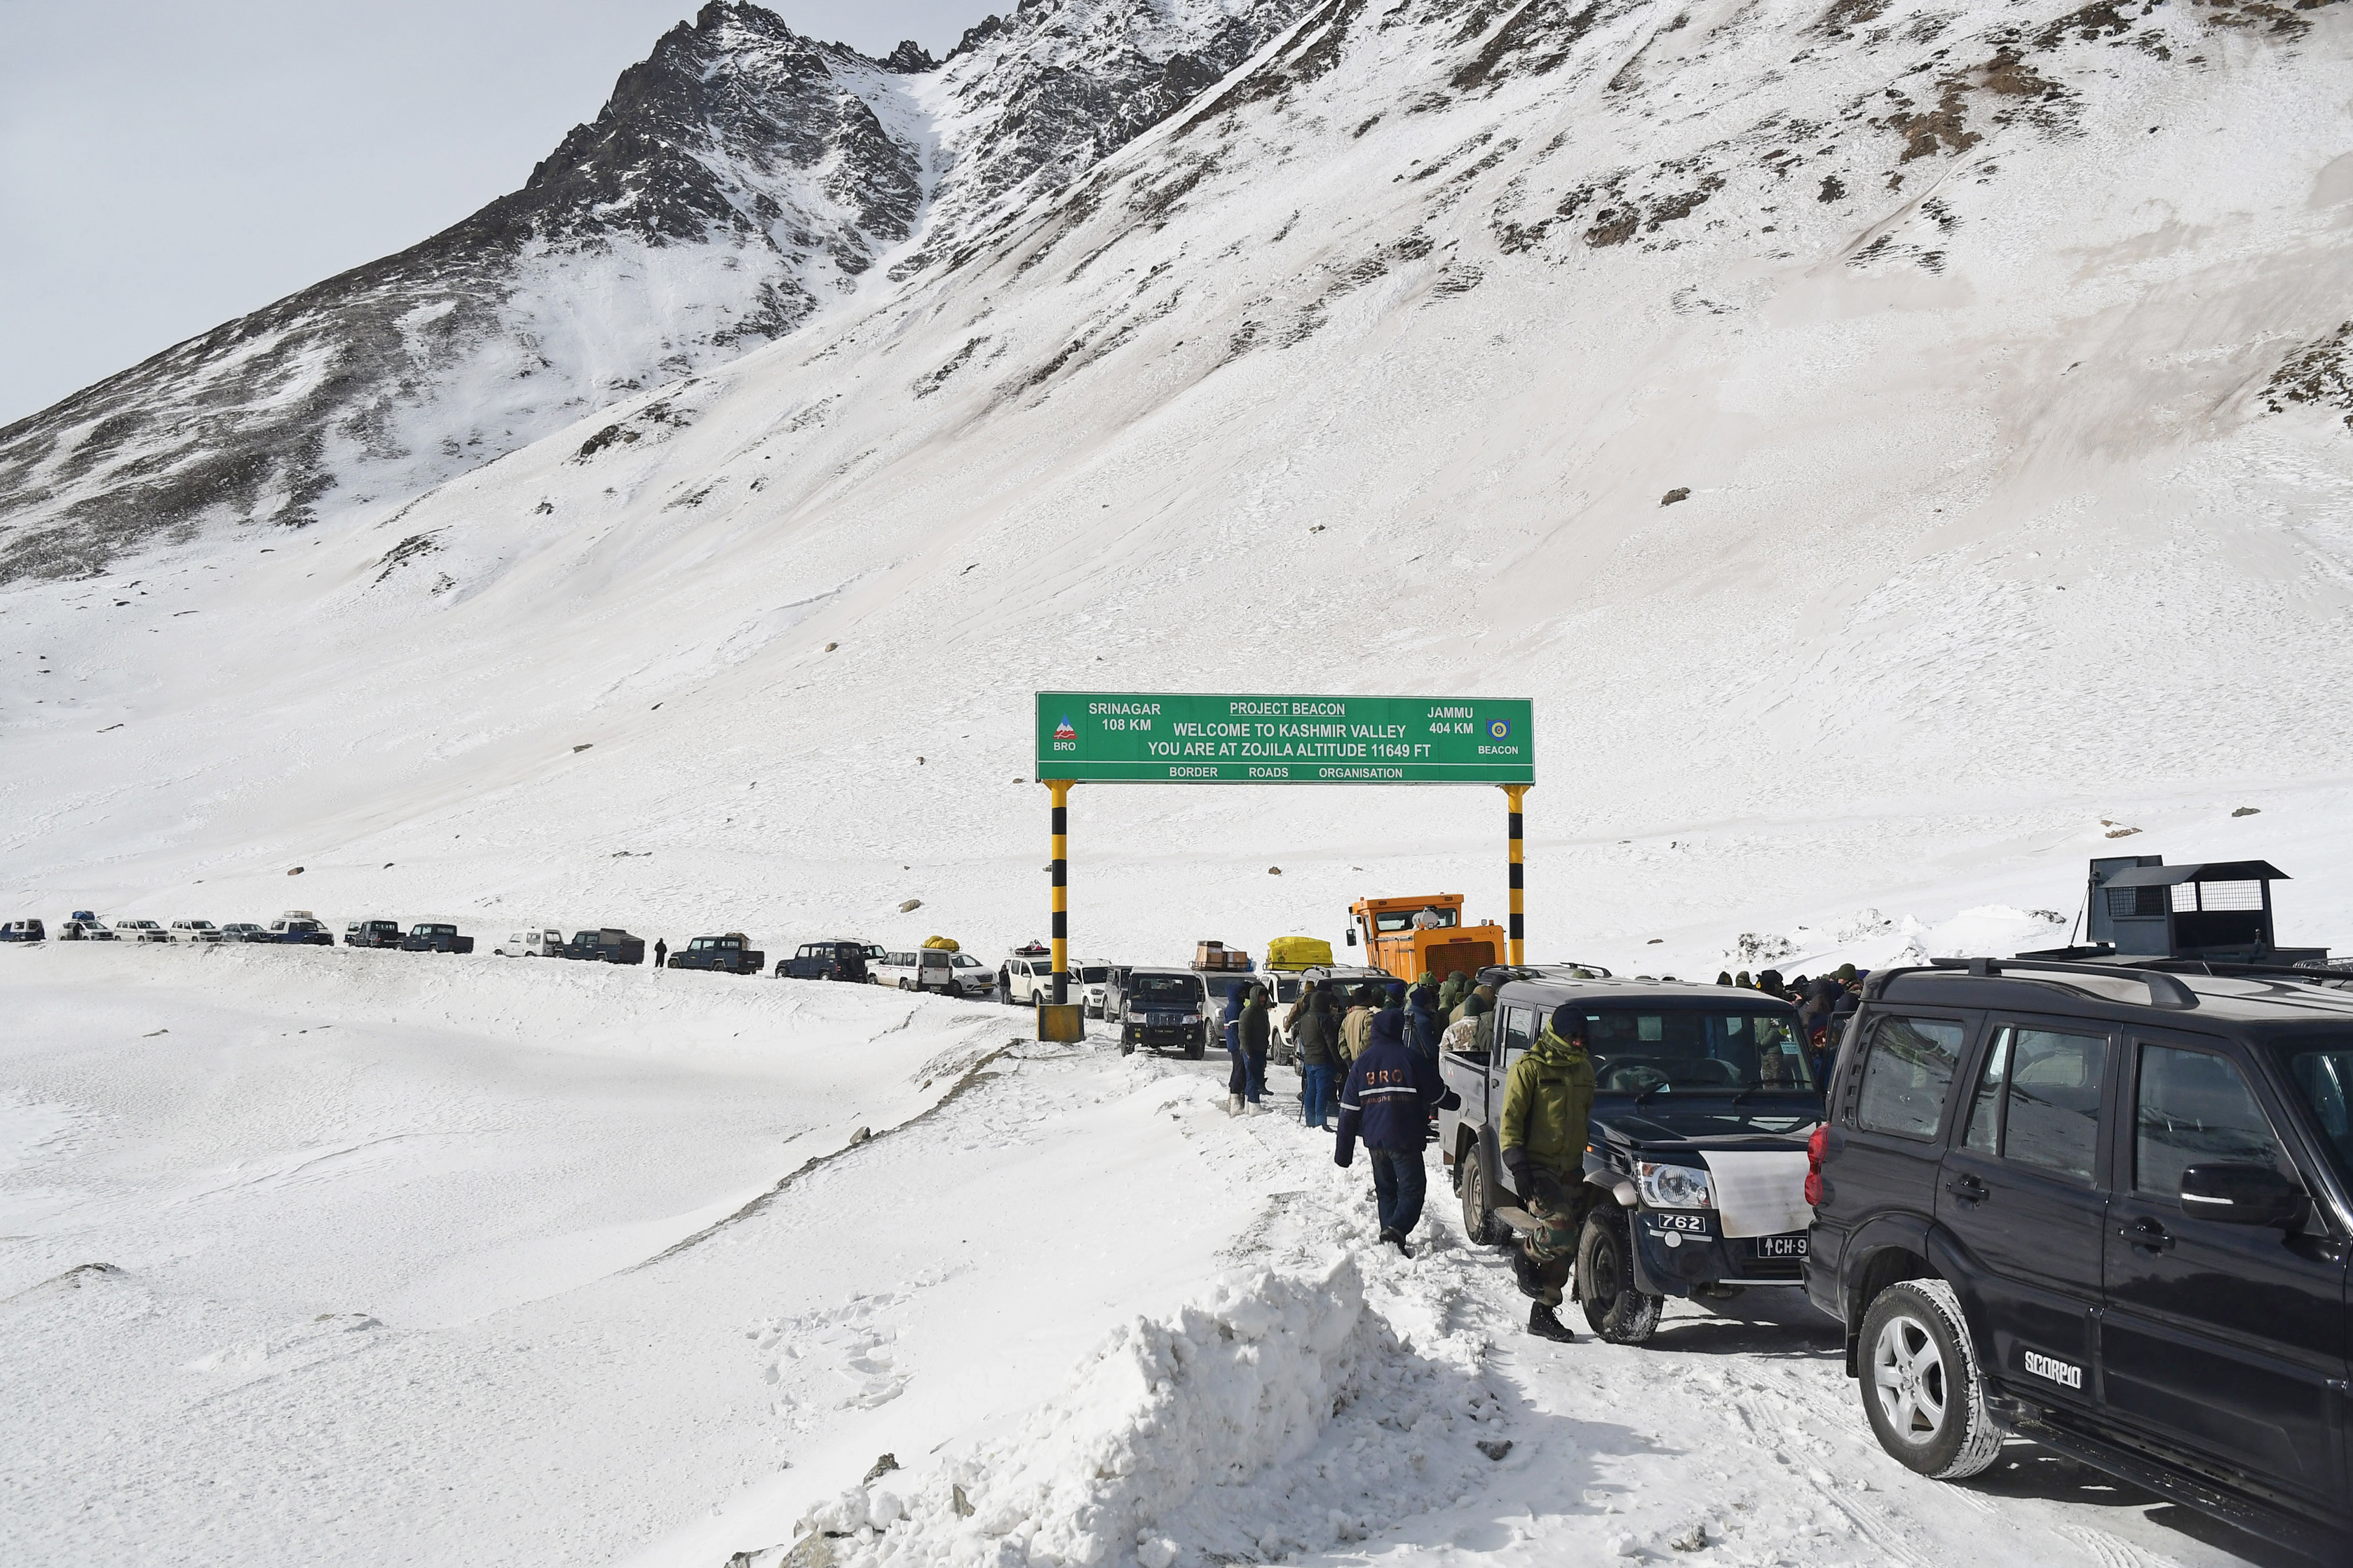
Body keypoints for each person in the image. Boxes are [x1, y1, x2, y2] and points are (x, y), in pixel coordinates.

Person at [1500, 1003, 1597, 1343]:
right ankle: (1523, 1254)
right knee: (1559, 1227)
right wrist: (1519, 1169)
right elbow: (1510, 1120)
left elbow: (1584, 1116)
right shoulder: (1530, 1068)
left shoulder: (1584, 1069)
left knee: (1568, 1244)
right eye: (1572, 1037)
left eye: (1582, 1038)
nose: (1578, 1043)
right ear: (1557, 1033)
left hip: (1570, 1167)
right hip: (1536, 1167)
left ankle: (1542, 1311)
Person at [1334, 1005, 1452, 1255]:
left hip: (1375, 1141)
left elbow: (1348, 1110)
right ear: (1399, 1030)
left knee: (1386, 1191)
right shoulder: (1411, 1059)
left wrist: (1343, 1153)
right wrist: (1455, 1101)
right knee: (1412, 1190)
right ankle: (1395, 1231)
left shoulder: (1361, 1064)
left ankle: (1390, 1241)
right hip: (1405, 1138)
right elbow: (1437, 1093)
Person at [1294, 989, 1338, 1128]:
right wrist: (1337, 1060)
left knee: (1311, 1091)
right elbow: (1330, 1042)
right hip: (1323, 1060)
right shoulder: (1324, 1018)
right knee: (1322, 1092)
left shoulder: (1304, 1018)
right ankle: (1321, 1122)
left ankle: (1310, 1120)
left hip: (1309, 1059)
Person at [1239, 982, 1272, 1111]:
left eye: (1264, 997)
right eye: (1261, 997)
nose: (1263, 999)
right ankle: (1254, 1105)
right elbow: (1243, 1033)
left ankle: (1249, 1105)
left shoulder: (1262, 1012)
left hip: (1260, 1049)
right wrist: (1247, 1050)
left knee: (1257, 1076)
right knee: (1252, 1077)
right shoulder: (1248, 1012)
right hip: (1251, 1050)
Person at [1222, 983, 1248, 1114]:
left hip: (1234, 1045)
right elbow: (1235, 1028)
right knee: (1240, 1069)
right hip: (1237, 1045)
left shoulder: (1234, 1006)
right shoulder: (1235, 1007)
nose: (1245, 995)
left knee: (1237, 1068)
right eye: (1243, 992)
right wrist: (1240, 1045)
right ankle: (1235, 1100)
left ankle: (1233, 1096)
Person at [1338, 986, 1378, 1067]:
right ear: (1367, 1000)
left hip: (1352, 1064)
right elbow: (1368, 1040)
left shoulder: (1347, 1018)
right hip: (1365, 1062)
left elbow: (1342, 1040)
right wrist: (1360, 1057)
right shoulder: (1369, 1016)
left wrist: (1347, 1058)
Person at [1406, 981, 1442, 1068]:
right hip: (1422, 1063)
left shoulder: (1406, 1015)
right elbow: (1431, 1048)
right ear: (1425, 1004)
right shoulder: (1424, 1022)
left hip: (1409, 1060)